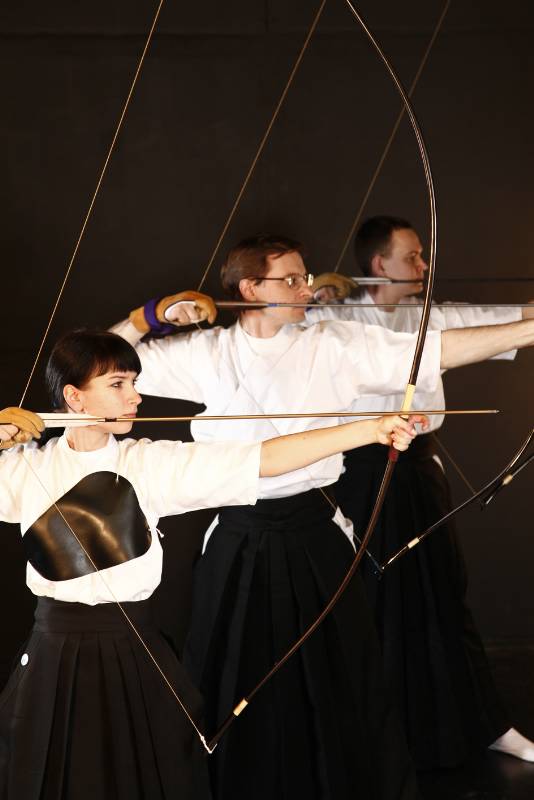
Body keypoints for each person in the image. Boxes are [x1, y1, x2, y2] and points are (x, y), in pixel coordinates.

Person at [112, 233, 534, 797]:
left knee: (343, 671)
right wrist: (147, 318)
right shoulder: (204, 353)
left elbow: (437, 348)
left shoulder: (334, 344)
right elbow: (98, 365)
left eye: (306, 278)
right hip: (239, 535)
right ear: (249, 289)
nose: (306, 289)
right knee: (232, 671)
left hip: (317, 532)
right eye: (290, 280)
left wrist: (528, 329)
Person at [0, 327, 424, 800]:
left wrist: (369, 429)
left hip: (131, 646)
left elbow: (264, 459)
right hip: (54, 651)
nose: (135, 397)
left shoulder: (149, 465)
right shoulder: (23, 467)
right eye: (117, 385)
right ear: (73, 397)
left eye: (134, 382)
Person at [306, 215, 534, 768]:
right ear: (379, 264)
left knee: (444, 593)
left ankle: (484, 722)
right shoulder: (332, 318)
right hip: (358, 473)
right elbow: (281, 324)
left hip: (417, 472)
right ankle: (373, 734)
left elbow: (512, 320)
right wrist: (312, 295)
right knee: (368, 598)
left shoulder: (434, 315)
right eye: (412, 256)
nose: (424, 265)